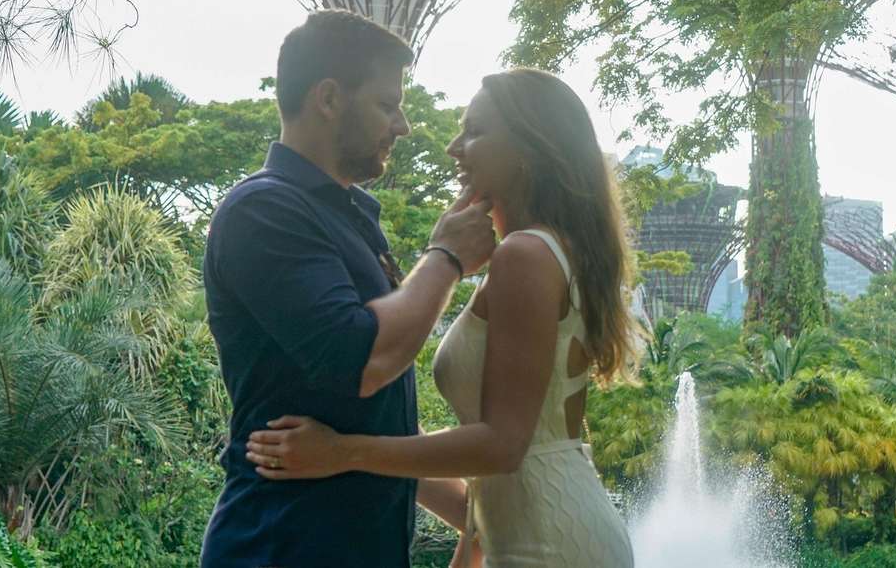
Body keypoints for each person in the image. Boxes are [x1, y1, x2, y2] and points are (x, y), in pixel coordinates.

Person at [246, 67, 644, 568]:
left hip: (551, 541)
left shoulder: (525, 255)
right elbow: (512, 446)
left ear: (528, 149)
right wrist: (469, 551)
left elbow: (502, 445)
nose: (455, 146)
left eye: (475, 131)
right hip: (543, 529)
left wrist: (342, 451)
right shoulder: (545, 253)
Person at [200, 10, 500, 568]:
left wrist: (486, 516)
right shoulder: (263, 210)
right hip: (281, 547)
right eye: (387, 105)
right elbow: (362, 360)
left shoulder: (353, 214)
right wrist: (447, 256)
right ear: (330, 98)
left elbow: (374, 421)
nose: (404, 125)